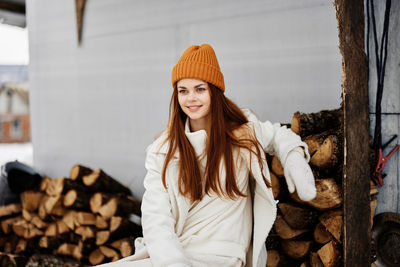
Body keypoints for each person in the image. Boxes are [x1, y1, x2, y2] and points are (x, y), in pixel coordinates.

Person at [98, 44, 316, 267]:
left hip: (225, 258)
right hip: (175, 256)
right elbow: (156, 218)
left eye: (199, 89)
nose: (191, 98)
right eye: (183, 91)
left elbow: (278, 135)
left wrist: (293, 157)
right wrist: (174, 263)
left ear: (214, 90)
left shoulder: (243, 131)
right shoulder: (163, 150)